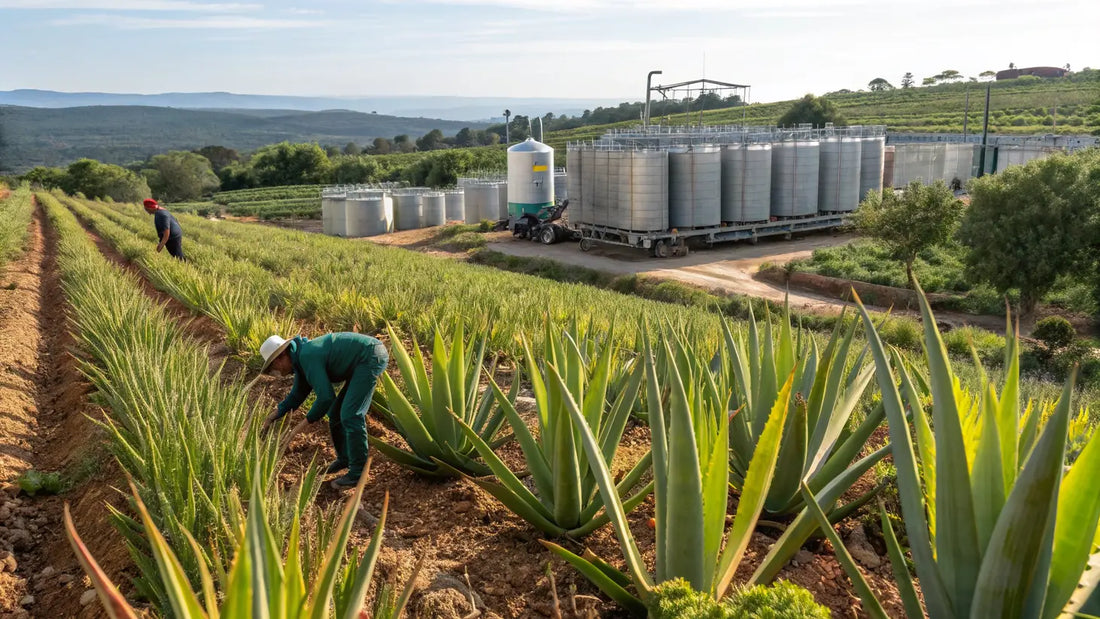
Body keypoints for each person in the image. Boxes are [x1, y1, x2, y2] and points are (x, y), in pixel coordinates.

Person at [259, 332, 389, 490]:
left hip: (369, 356)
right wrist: (272, 417)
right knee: (335, 413)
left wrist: (299, 428)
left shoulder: (307, 356)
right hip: (361, 360)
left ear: (282, 356)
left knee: (351, 415)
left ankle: (358, 472)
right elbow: (297, 395)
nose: (276, 371)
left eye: (274, 366)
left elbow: (326, 397)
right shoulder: (301, 360)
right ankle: (344, 459)